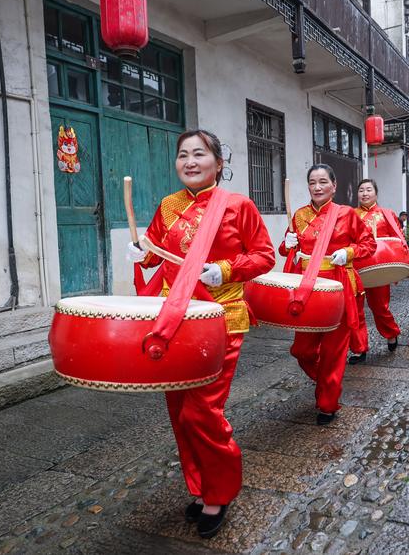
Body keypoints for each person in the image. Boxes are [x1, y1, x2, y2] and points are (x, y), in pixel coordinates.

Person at [128, 129, 275, 538]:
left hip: (219, 317)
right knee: (179, 411)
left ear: (218, 163)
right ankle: (200, 487)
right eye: (183, 155)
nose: (190, 162)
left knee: (202, 411)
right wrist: (141, 254)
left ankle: (220, 491)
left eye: (199, 154)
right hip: (174, 319)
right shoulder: (168, 205)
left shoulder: (238, 206)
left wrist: (225, 270)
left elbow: (264, 255)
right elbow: (155, 251)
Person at [280, 164, 376, 425]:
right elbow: (286, 249)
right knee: (301, 349)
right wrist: (286, 244)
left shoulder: (346, 214)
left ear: (334, 186)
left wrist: (349, 252)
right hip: (307, 288)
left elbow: (368, 244)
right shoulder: (299, 216)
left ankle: (327, 403)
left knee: (334, 351)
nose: (317, 187)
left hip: (338, 284)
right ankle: (326, 380)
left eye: (323, 182)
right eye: (312, 182)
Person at [348, 179, 402, 364]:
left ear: (376, 193)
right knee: (355, 310)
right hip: (355, 267)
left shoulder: (387, 214)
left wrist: (397, 269)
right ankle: (358, 349)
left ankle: (391, 332)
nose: (365, 193)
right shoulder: (350, 215)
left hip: (380, 268)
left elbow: (397, 240)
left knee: (379, 306)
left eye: (368, 190)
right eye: (361, 190)